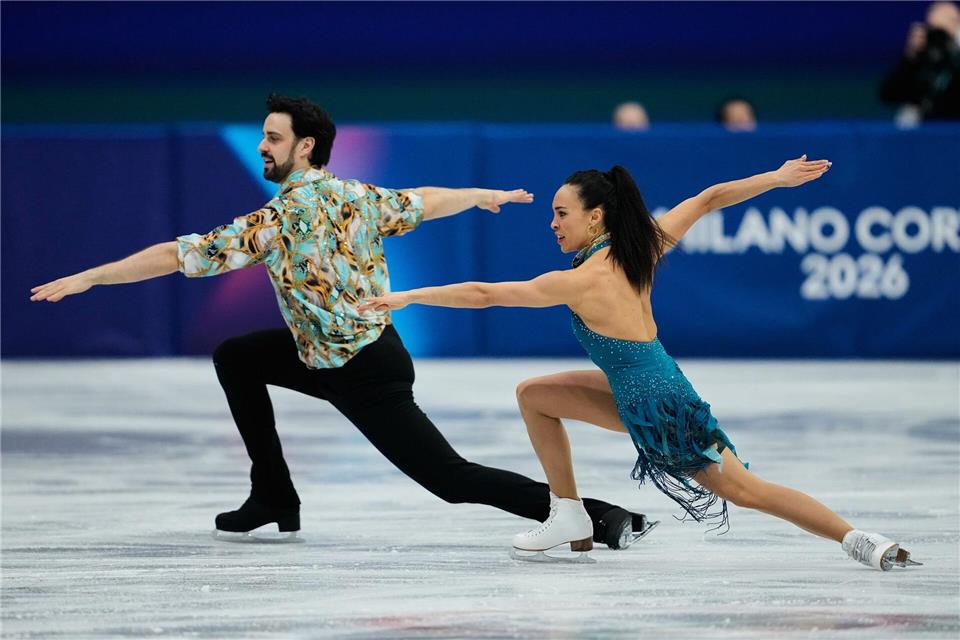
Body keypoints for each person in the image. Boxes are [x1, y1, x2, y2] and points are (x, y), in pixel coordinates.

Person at [30, 94, 653, 549]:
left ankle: (599, 515)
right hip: (333, 355)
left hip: (363, 373)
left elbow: (177, 255)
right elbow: (424, 200)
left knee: (450, 479)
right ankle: (274, 493)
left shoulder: (274, 221)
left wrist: (92, 277)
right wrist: (478, 196)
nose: (262, 146)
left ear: (304, 146)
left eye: (272, 138)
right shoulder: (357, 196)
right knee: (238, 355)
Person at [360, 156, 922, 571]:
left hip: (659, 405)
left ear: (595, 216)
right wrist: (774, 179)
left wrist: (411, 296)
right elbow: (708, 198)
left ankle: (859, 540)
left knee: (746, 490)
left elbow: (487, 294)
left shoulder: (584, 278)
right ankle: (568, 513)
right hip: (640, 385)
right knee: (535, 395)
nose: (553, 223)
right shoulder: (639, 248)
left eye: (561, 213)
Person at [879, 1, 960, 124]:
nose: (939, 37)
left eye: (950, 22)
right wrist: (910, 57)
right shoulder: (921, 60)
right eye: (934, 29)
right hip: (924, 130)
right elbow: (887, 95)